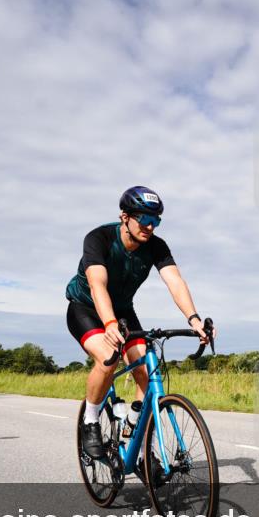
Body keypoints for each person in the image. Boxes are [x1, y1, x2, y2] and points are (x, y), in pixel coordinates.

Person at [65, 186, 214, 458]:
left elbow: (175, 281)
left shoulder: (156, 246)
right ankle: (90, 420)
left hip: (123, 311)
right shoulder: (99, 238)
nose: (150, 226)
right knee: (108, 358)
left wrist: (194, 319)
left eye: (156, 220)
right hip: (86, 308)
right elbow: (98, 285)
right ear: (125, 217)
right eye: (144, 219)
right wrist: (109, 323)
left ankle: (137, 438)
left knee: (146, 370)